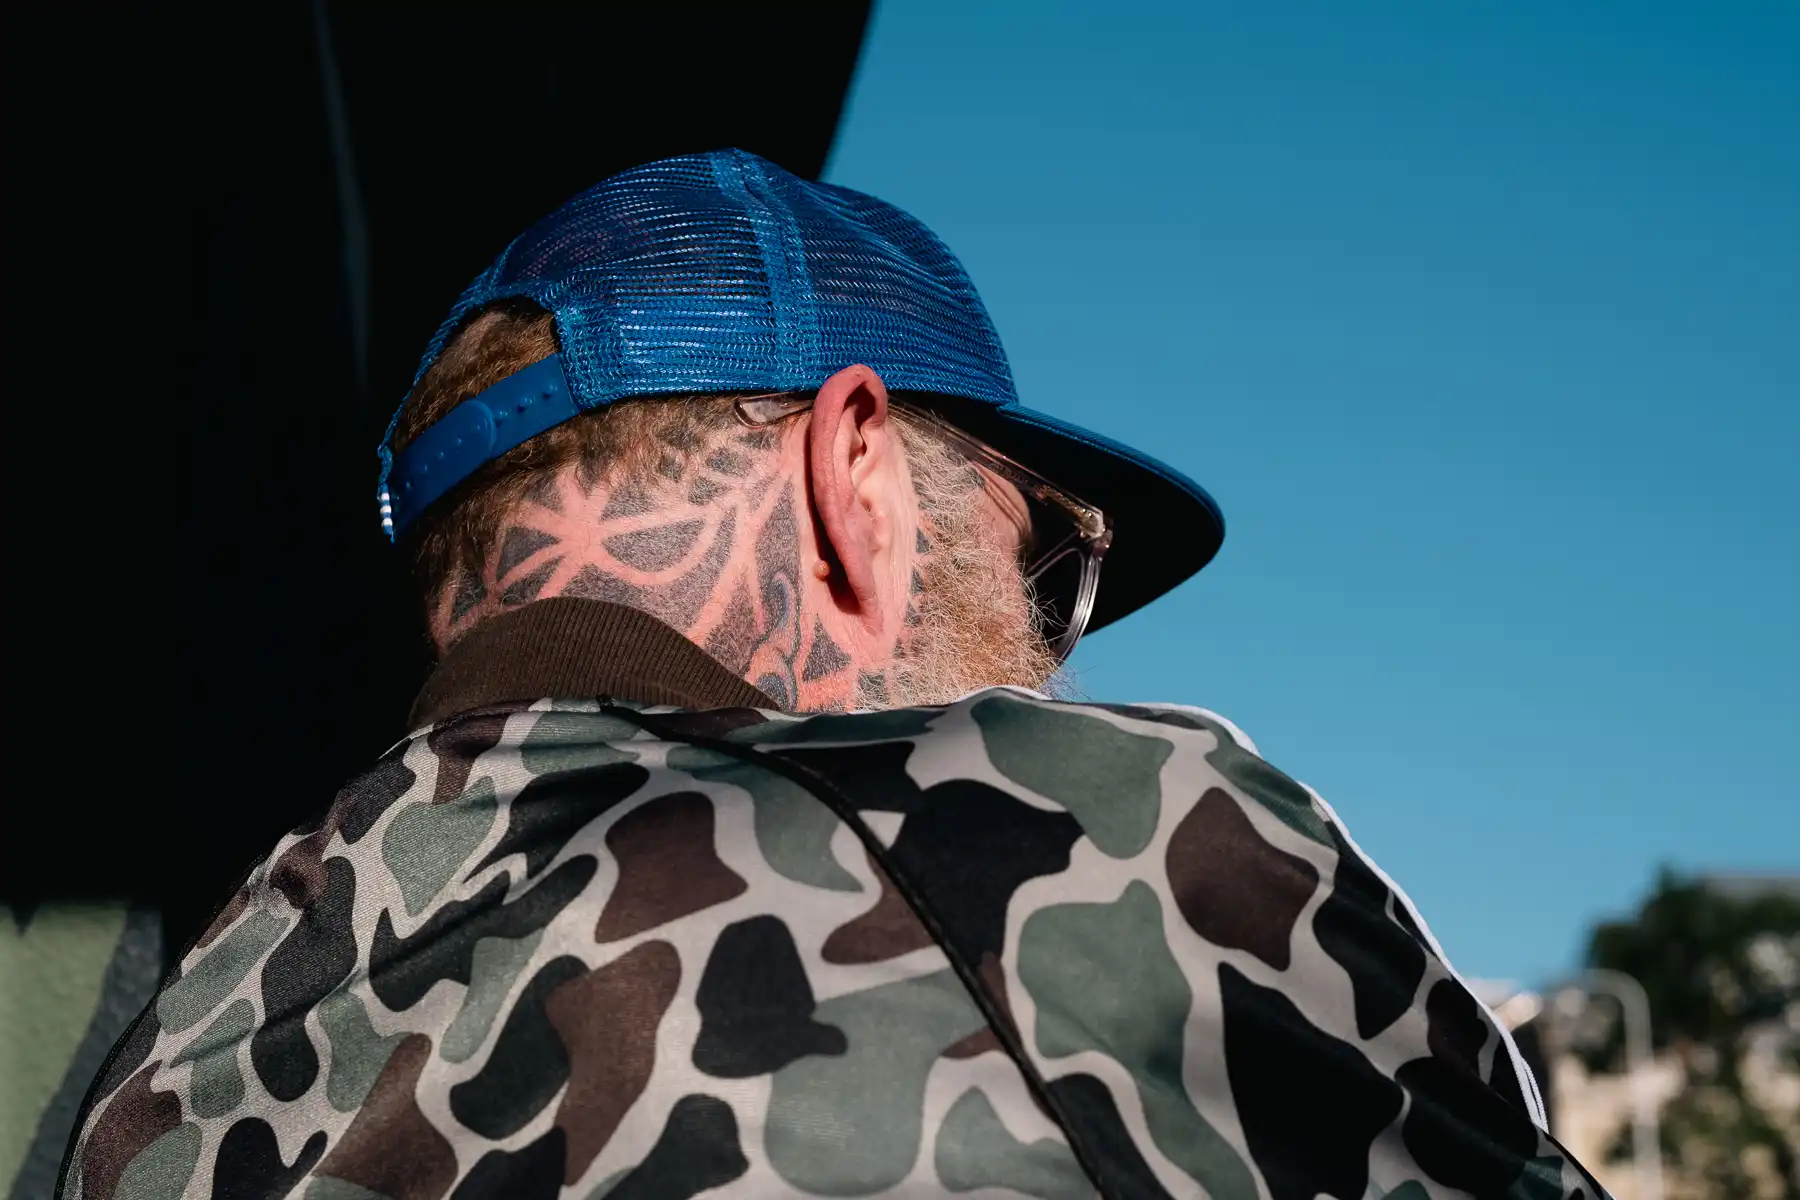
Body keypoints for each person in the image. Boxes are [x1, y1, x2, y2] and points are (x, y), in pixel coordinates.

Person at [60, 150, 1605, 1200]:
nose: (1050, 658)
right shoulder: (1100, 839)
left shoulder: (164, 1066)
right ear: (851, 475)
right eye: (1042, 561)